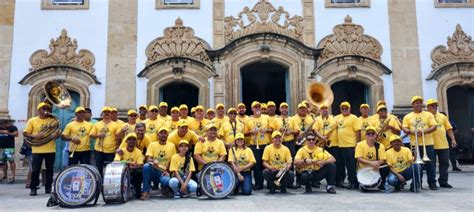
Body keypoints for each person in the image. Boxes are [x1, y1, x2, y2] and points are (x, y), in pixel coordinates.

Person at [402, 96, 438, 190]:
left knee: (430, 164)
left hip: (428, 143)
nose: (418, 104)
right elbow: (404, 128)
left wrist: (423, 131)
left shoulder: (428, 115)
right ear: (412, 104)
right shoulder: (408, 116)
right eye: (416, 102)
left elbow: (434, 126)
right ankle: (418, 183)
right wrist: (411, 132)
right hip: (414, 143)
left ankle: (432, 183)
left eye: (419, 102)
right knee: (417, 164)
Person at [23, 102, 58, 196]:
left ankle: (48, 188)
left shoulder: (53, 120)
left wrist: (56, 135)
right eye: (43, 109)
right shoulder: (32, 120)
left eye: (47, 109)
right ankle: (33, 188)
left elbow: (58, 131)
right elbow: (25, 133)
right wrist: (35, 135)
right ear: (38, 110)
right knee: (35, 170)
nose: (46, 110)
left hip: (50, 149)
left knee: (50, 170)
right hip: (37, 149)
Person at [312, 103, 344, 188]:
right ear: (320, 110)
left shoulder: (334, 119)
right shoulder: (317, 119)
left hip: (333, 144)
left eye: (326, 108)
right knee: (318, 162)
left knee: (336, 163)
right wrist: (322, 137)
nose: (324, 110)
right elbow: (315, 130)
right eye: (322, 109)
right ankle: (315, 181)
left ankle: (337, 180)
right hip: (321, 144)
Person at [426, 99, 456, 188]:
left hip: (443, 144)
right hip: (430, 144)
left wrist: (453, 139)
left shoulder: (442, 116)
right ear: (428, 107)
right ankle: (432, 182)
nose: (434, 107)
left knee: (445, 163)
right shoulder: (425, 116)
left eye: (436, 105)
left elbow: (449, 128)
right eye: (432, 105)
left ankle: (443, 181)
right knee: (431, 165)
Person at [141, 127, 174, 200]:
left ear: (167, 135)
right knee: (146, 166)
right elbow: (148, 158)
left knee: (166, 181)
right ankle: (145, 190)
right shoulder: (152, 144)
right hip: (154, 170)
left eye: (165, 133)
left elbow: (173, 161)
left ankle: (164, 187)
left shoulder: (172, 145)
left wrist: (168, 171)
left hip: (164, 171)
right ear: (157, 135)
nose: (163, 135)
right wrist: (153, 161)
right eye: (161, 133)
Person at [244, 101, 271, 190]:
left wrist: (266, 130)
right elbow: (245, 133)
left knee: (266, 164)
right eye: (255, 107)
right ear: (252, 109)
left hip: (265, 145)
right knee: (256, 165)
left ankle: (269, 183)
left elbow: (272, 129)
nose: (257, 108)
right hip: (254, 145)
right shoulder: (248, 120)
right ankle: (259, 183)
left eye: (258, 107)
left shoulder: (266, 117)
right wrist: (252, 132)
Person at [335, 101, 362, 190]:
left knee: (351, 166)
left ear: (350, 109)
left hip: (351, 145)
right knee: (345, 165)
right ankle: (347, 181)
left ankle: (354, 183)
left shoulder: (354, 118)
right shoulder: (338, 118)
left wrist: (357, 144)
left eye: (346, 108)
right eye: (342, 108)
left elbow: (358, 131)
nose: (344, 109)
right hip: (341, 146)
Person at [355, 126, 388, 191]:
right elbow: (358, 158)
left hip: (376, 168)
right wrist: (371, 163)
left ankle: (382, 184)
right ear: (365, 135)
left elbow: (383, 159)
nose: (370, 135)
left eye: (372, 133)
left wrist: (377, 164)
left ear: (376, 135)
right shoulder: (360, 145)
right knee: (365, 188)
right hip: (363, 168)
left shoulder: (380, 146)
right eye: (368, 133)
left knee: (385, 168)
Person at [90, 106, 120, 177]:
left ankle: (108, 183)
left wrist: (117, 147)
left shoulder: (116, 125)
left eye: (108, 112)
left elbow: (118, 138)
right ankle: (99, 182)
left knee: (109, 169)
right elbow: (91, 135)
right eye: (105, 112)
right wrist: (98, 135)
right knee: (98, 167)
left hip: (110, 150)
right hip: (98, 150)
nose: (107, 114)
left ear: (111, 114)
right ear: (102, 114)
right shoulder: (97, 124)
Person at [114, 133, 144, 199]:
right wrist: (129, 163)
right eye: (129, 139)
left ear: (136, 142)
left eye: (134, 139)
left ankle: (137, 193)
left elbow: (140, 165)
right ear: (126, 141)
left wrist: (126, 165)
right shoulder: (121, 151)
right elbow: (116, 162)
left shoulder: (138, 151)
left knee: (139, 172)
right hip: (122, 172)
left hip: (134, 171)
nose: (132, 141)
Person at [0, 118, 18, 183]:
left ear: (7, 123)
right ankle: (5, 175)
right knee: (3, 162)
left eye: (4, 125)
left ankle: (13, 176)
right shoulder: (0, 127)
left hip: (9, 148)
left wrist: (8, 132)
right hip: (1, 148)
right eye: (1, 126)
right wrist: (2, 131)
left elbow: (16, 134)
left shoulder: (13, 127)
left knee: (11, 161)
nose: (3, 127)